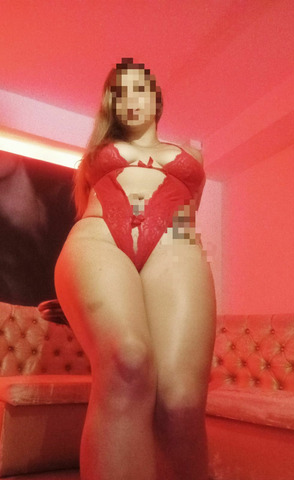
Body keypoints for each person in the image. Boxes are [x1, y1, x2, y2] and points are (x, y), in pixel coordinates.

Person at [54, 58, 216, 480]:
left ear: (157, 99)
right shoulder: (99, 153)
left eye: (139, 89)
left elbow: (190, 212)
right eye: (119, 93)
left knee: (181, 402)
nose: (130, 99)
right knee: (128, 361)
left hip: (175, 239)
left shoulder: (191, 152)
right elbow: (84, 205)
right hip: (100, 236)